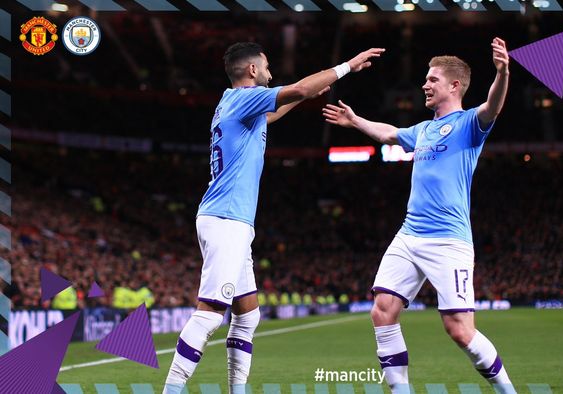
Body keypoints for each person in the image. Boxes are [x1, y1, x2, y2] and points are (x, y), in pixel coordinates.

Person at [162, 42, 384, 394]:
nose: (270, 72)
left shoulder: (232, 104)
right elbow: (296, 88)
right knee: (208, 315)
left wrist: (303, 97)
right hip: (226, 220)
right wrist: (347, 66)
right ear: (251, 70)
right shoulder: (243, 97)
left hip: (229, 219)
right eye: (266, 66)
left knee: (248, 315)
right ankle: (171, 390)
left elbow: (276, 111)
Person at [322, 38, 515, 394]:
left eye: (433, 80)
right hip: (409, 235)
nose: (425, 85)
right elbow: (389, 134)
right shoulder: (423, 130)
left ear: (454, 85)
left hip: (448, 239)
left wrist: (502, 71)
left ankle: (508, 391)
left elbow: (493, 105)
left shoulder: (470, 123)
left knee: (459, 330)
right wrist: (355, 121)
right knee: (382, 311)